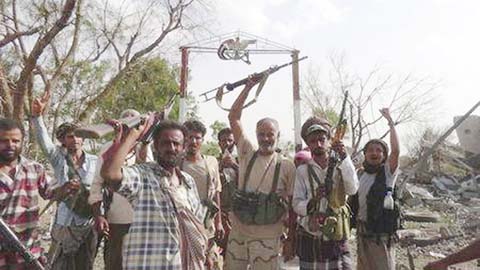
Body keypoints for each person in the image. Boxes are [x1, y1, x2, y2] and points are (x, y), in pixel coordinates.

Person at [101, 119, 207, 269]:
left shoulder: (188, 182)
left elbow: (195, 226)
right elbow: (110, 174)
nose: (171, 148)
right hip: (148, 263)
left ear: (183, 148)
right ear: (156, 146)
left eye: (176, 144)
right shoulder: (143, 175)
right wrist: (131, 137)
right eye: (165, 143)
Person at [226, 79, 296, 270]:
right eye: (261, 134)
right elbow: (233, 117)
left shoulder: (288, 166)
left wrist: (290, 239)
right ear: (256, 135)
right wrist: (248, 88)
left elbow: (292, 206)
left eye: (270, 134)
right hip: (239, 232)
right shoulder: (247, 152)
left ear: (278, 135)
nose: (266, 138)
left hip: (269, 236)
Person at [31, 91, 98, 270]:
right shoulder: (58, 158)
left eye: (78, 135)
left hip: (87, 223)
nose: (75, 139)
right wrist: (37, 116)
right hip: (64, 222)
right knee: (57, 264)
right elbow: (43, 140)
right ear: (63, 140)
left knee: (85, 264)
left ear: (83, 138)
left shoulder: (95, 161)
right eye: (70, 136)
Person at [88, 109, 153, 270]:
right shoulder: (107, 149)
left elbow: (146, 170)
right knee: (115, 263)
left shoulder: (143, 147)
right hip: (117, 219)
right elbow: (97, 184)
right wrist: (99, 215)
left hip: (142, 220)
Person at [292, 117, 359, 269]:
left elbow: (353, 189)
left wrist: (344, 157)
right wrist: (314, 201)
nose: (318, 144)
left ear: (329, 140)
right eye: (313, 141)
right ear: (308, 144)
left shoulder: (341, 165)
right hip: (311, 233)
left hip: (337, 233)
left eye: (322, 139)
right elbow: (296, 203)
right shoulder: (302, 171)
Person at [349, 108, 400, 270]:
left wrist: (390, 122)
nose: (374, 153)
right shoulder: (360, 174)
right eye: (370, 150)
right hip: (363, 232)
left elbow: (396, 151)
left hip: (381, 236)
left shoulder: (388, 173)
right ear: (365, 154)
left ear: (384, 156)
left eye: (379, 150)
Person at [0, 118, 53, 269]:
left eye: (15, 141)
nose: (10, 145)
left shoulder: (34, 169)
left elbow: (51, 193)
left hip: (28, 252)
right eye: (4, 141)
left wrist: (67, 188)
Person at [181, 120, 224, 269]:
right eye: (189, 137)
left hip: (206, 224)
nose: (193, 141)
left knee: (211, 262)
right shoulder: (177, 162)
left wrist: (219, 222)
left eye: (197, 138)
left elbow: (216, 192)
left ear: (202, 140)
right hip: (183, 224)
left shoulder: (211, 162)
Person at [216, 127, 238, 256]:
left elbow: (249, 180)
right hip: (221, 215)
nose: (227, 143)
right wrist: (220, 166)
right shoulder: (213, 162)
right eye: (224, 141)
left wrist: (234, 165)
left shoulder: (241, 162)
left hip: (238, 215)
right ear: (219, 143)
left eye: (230, 140)